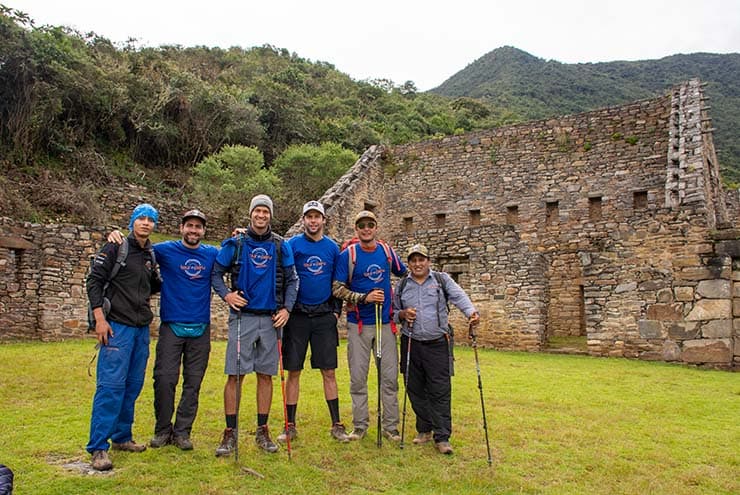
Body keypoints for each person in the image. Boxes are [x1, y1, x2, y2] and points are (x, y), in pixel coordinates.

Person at [108, 209, 219, 451]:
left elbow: (234, 256)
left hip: (200, 328)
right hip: (172, 326)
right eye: (189, 225)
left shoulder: (212, 254)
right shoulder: (164, 251)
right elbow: (137, 248)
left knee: (193, 383)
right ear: (181, 228)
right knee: (164, 379)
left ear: (203, 231)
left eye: (198, 227)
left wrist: (239, 236)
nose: (193, 230)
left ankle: (182, 432)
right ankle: (162, 429)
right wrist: (117, 234)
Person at [211, 194, 298, 455]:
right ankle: (230, 433)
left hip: (271, 319)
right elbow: (216, 272)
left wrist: (287, 309)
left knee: (265, 375)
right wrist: (226, 294)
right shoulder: (236, 243)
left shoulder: (282, 245)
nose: (261, 216)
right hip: (243, 317)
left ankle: (262, 430)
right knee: (235, 375)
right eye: (257, 211)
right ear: (250, 214)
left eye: (266, 212)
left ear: (271, 215)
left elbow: (293, 280)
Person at [86, 203, 162, 471]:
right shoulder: (115, 247)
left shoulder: (149, 254)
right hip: (117, 327)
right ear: (132, 222)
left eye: (151, 220)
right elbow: (94, 282)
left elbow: (153, 286)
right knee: (111, 386)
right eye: (141, 218)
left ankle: (121, 436)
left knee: (132, 385)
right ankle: (98, 447)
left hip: (141, 328)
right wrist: (99, 319)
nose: (145, 223)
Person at [392, 243, 480, 455]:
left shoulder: (441, 280)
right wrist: (403, 314)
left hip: (437, 343)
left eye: (421, 259)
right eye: (413, 260)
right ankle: (424, 430)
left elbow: (459, 297)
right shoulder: (403, 285)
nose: (417, 264)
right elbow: (393, 312)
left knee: (440, 390)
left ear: (428, 261)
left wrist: (471, 313)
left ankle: (442, 437)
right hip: (411, 342)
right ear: (409, 263)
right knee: (414, 388)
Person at [278, 201, 349, 444]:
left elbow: (339, 282)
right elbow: (283, 275)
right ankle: (290, 425)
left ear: (323, 220)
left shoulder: (332, 248)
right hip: (297, 316)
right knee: (293, 371)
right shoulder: (292, 245)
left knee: (329, 371)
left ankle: (336, 424)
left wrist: (336, 312)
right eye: (309, 216)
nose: (313, 221)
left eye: (317, 216)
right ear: (303, 220)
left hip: (323, 317)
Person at [332, 210, 407, 442]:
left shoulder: (386, 252)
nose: (366, 229)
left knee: (389, 377)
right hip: (359, 325)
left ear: (376, 227)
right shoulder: (349, 255)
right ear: (356, 229)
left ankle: (391, 427)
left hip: (385, 323)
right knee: (358, 378)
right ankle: (360, 425)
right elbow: (337, 288)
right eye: (362, 225)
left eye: (370, 225)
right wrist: (363, 298)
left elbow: (405, 274)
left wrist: (398, 301)